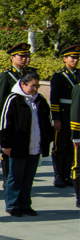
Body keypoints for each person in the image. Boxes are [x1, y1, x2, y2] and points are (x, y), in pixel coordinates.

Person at [0, 71, 53, 217]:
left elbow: (46, 122)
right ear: (23, 84)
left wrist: (47, 139)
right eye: (32, 86)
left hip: (35, 146)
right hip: (18, 147)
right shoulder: (12, 99)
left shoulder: (40, 100)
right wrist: (5, 144)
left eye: (37, 86)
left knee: (28, 178)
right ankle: (12, 204)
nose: (35, 89)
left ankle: (25, 204)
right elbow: (3, 124)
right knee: (15, 177)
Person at [0, 43, 35, 186]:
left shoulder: (30, 74)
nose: (25, 59)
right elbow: (0, 101)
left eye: (27, 56)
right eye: (21, 56)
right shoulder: (6, 75)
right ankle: (7, 178)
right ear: (12, 57)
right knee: (8, 149)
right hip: (12, 117)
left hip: (27, 117)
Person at [49, 44, 79, 188]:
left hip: (75, 117)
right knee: (59, 146)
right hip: (63, 115)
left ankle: (67, 174)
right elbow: (54, 99)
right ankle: (58, 175)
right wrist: (56, 119)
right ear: (65, 59)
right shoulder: (59, 76)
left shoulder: (79, 75)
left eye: (77, 58)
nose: (75, 60)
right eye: (72, 58)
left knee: (71, 147)